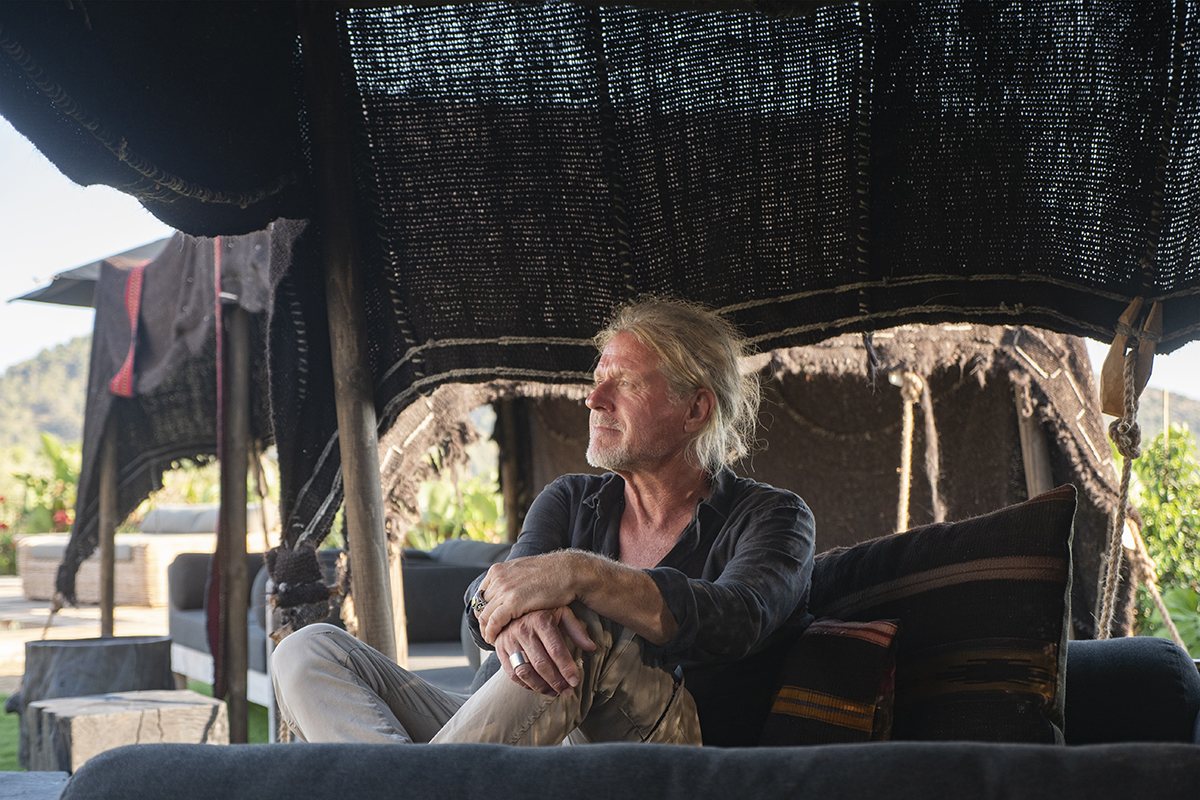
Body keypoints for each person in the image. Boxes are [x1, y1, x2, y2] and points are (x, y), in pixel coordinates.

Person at [272, 297, 815, 747]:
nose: (593, 399)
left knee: (583, 630)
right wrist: (502, 611)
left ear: (695, 409)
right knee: (307, 651)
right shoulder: (570, 499)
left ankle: (424, 783)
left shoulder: (774, 517)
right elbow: (496, 593)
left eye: (625, 383)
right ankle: (419, 785)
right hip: (509, 729)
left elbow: (736, 619)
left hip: (664, 750)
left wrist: (582, 575)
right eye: (597, 380)